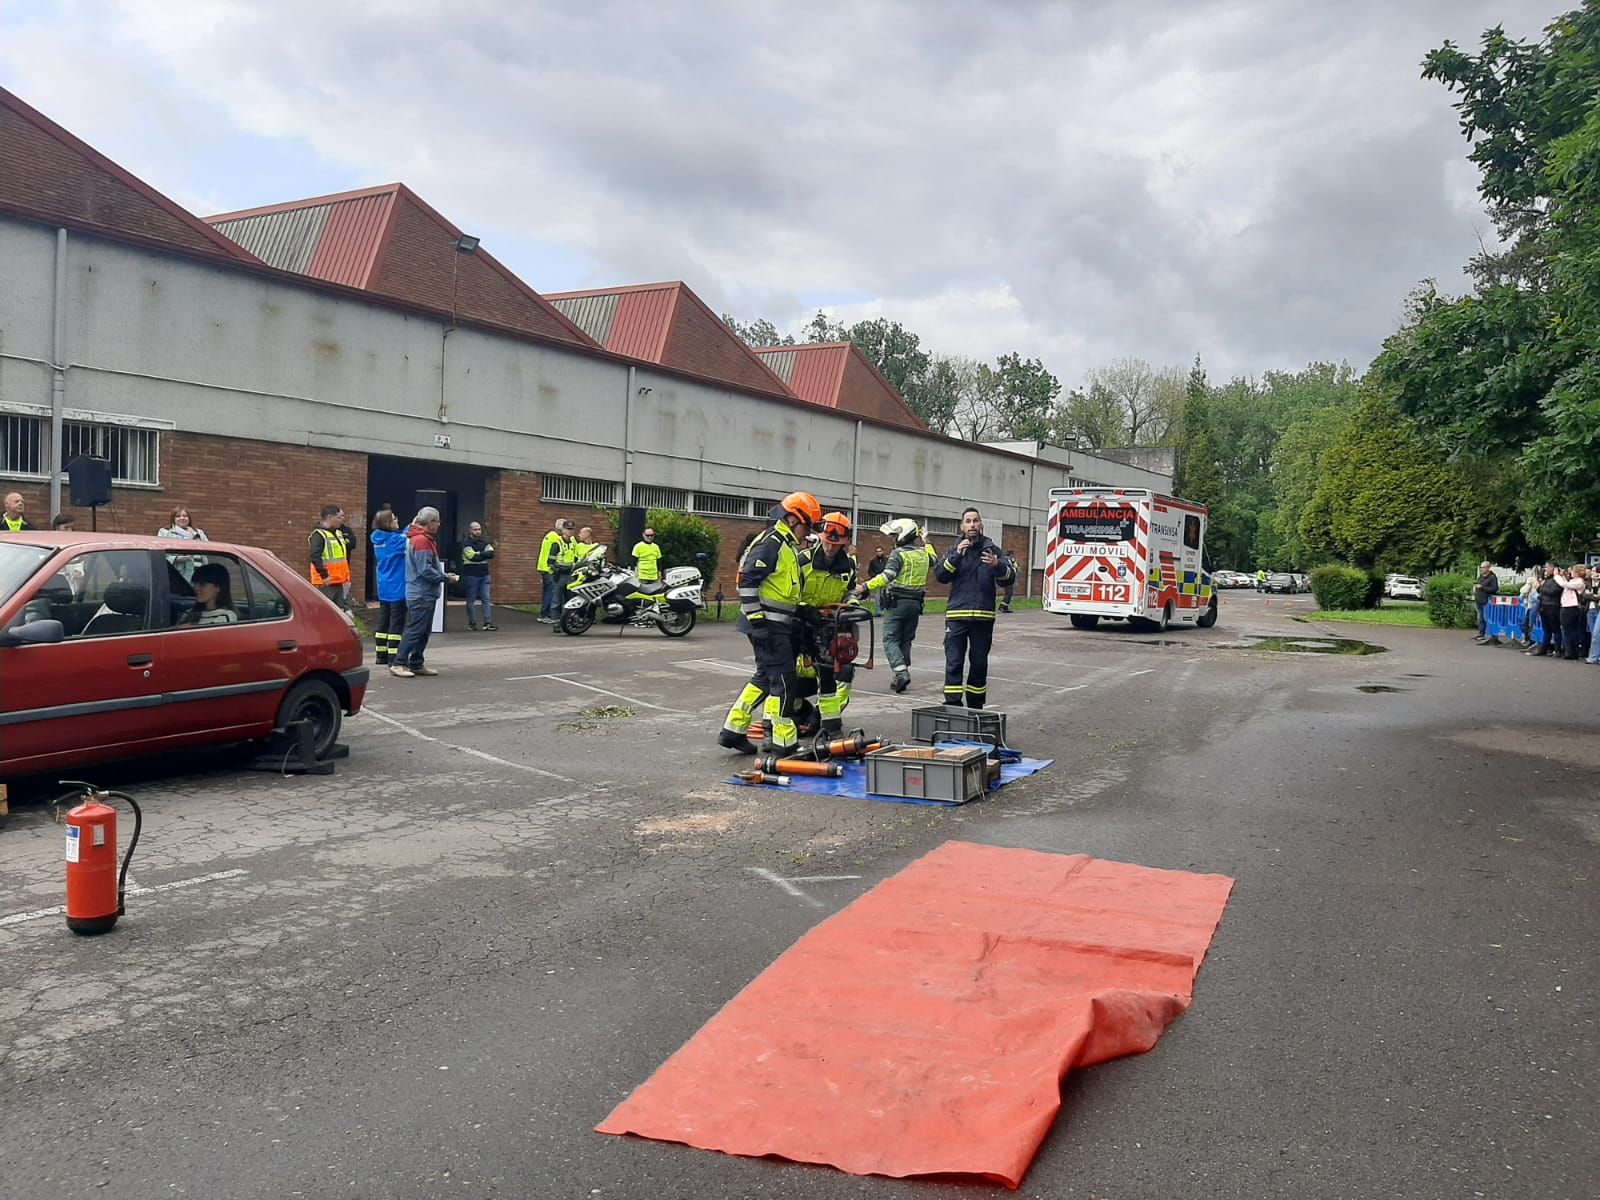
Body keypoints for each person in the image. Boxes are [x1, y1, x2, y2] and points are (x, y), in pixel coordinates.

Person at [718, 491, 821, 755]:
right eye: (806, 525)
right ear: (792, 519)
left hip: (775, 624)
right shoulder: (772, 543)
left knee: (764, 678)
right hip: (768, 626)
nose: (807, 531)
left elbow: (780, 589)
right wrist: (758, 622)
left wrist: (802, 610)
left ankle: (733, 730)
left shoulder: (785, 545)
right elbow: (748, 582)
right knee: (785, 681)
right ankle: (784, 742)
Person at [934, 506, 1015, 708]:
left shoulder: (992, 550)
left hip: (983, 617)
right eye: (968, 521)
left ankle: (976, 708)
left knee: (979, 664)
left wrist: (997, 565)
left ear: (981, 525)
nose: (972, 525)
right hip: (957, 616)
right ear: (962, 526)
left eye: (975, 521)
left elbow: (1009, 579)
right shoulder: (955, 550)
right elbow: (940, 577)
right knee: (954, 662)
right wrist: (956, 556)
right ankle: (952, 707)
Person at [854, 518, 937, 693]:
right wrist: (926, 540)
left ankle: (901, 673)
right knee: (906, 640)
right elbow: (935, 559)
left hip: (897, 603)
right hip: (916, 604)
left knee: (890, 639)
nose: (893, 540)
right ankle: (900, 673)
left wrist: (865, 586)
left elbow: (886, 576)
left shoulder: (898, 554)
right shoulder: (924, 554)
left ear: (903, 535)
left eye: (895, 536)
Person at [794, 512, 859, 735]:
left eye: (835, 544)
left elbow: (850, 591)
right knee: (789, 677)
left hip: (831, 628)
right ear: (819, 537)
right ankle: (791, 716)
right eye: (827, 542)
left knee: (831, 676)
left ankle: (830, 724)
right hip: (801, 626)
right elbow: (789, 592)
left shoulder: (848, 566)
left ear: (844, 542)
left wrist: (850, 606)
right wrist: (805, 609)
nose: (830, 548)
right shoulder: (802, 562)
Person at [390, 506, 458, 678]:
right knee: (415, 630)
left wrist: (442, 575)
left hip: (422, 592)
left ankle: (416, 663)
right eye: (437, 521)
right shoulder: (422, 540)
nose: (439, 525)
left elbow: (425, 568)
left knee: (422, 630)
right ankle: (399, 663)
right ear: (430, 523)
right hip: (421, 593)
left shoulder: (420, 538)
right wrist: (445, 578)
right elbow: (425, 570)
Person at [369, 509, 408, 665]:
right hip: (397, 586)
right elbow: (407, 537)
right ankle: (394, 656)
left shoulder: (378, 539)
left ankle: (381, 655)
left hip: (384, 585)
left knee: (383, 620)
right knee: (396, 623)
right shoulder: (394, 540)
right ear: (387, 522)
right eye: (394, 518)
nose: (397, 520)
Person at [309, 505, 350, 608]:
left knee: (338, 611)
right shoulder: (318, 535)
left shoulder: (338, 533)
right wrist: (324, 575)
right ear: (330, 518)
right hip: (326, 582)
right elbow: (315, 557)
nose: (342, 520)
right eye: (339, 517)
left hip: (338, 580)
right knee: (325, 610)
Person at [460, 520, 498, 631]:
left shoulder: (484, 542)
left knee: (486, 599)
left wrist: (479, 554)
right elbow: (472, 557)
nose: (478, 531)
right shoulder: (466, 543)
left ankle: (487, 623)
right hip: (471, 575)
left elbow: (492, 554)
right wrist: (483, 554)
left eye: (479, 529)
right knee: (471, 600)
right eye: (475, 529)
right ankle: (472, 623)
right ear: (470, 530)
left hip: (484, 574)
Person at [158, 505, 210, 581]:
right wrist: (176, 559)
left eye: (185, 516)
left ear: (189, 518)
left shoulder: (198, 532)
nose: (182, 518)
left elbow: (209, 547)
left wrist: (194, 534)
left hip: (199, 574)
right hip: (177, 576)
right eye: (178, 516)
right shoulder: (165, 532)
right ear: (173, 519)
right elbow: (160, 554)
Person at [538, 518, 574, 623]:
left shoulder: (549, 535)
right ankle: (547, 615)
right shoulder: (556, 538)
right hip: (550, 569)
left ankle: (544, 614)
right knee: (552, 594)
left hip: (543, 566)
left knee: (547, 592)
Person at [1472, 561, 1500, 645]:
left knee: (1486, 618)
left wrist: (1482, 587)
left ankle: (1491, 635)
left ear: (1488, 568)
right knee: (1480, 618)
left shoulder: (1492, 577)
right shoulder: (1480, 577)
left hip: (1487, 601)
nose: (1481, 569)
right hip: (1479, 600)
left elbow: (1494, 589)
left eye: (1483, 567)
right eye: (1481, 567)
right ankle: (1481, 634)